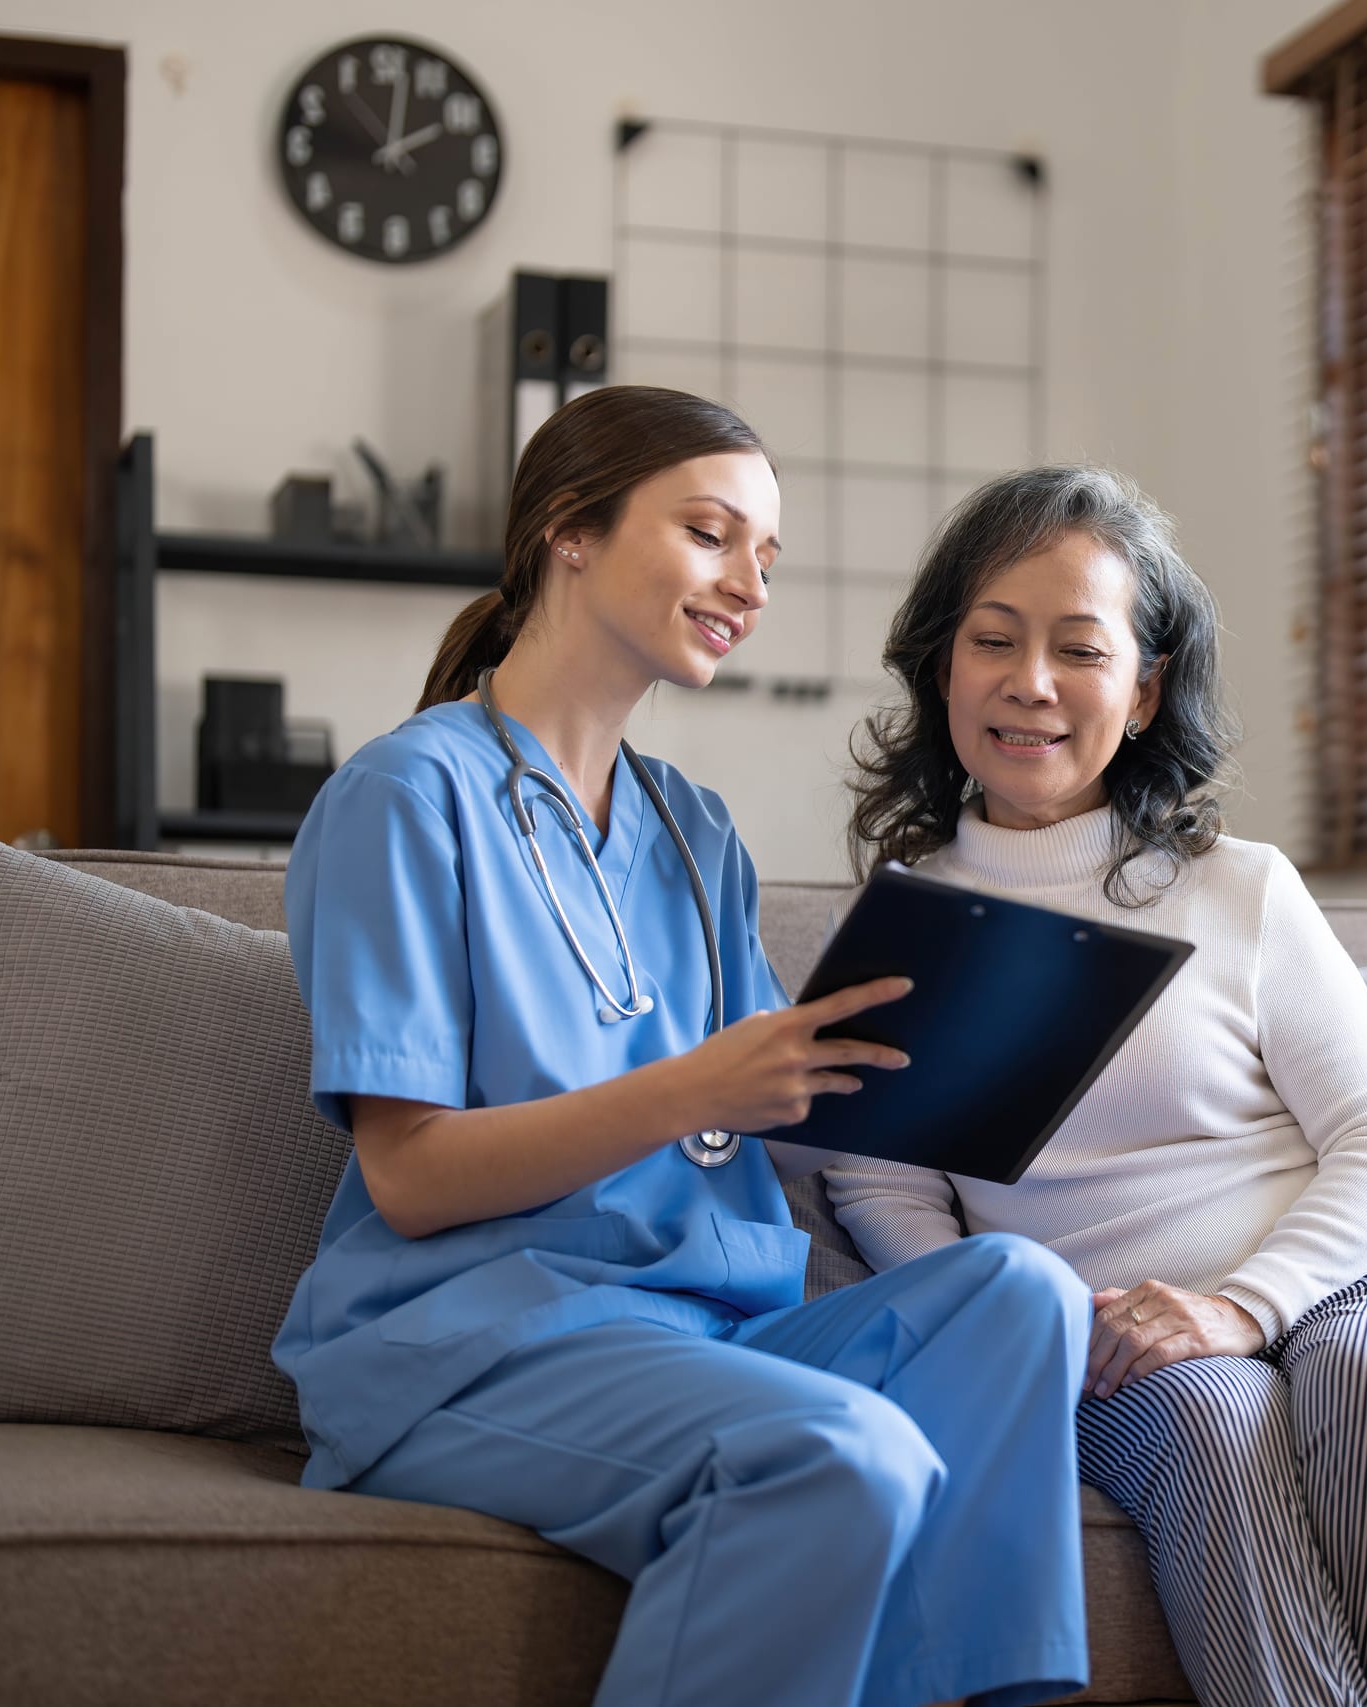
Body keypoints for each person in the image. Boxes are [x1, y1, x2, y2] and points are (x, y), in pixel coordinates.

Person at [270, 387, 1091, 1707]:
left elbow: (769, 1105)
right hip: (475, 1344)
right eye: (712, 534)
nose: (747, 583)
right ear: (568, 532)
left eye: (767, 558)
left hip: (708, 1331)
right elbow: (412, 1175)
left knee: (1019, 1289)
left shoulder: (693, 828)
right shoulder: (405, 796)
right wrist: (695, 1086)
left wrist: (954, 1047)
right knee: (844, 1451)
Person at [827, 465, 1367, 1707]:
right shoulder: (913, 920)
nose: (1029, 683)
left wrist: (1244, 1306)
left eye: (1078, 650)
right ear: (943, 670)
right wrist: (1029, 1320)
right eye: (992, 641)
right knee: (1213, 1427)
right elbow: (882, 1184)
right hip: (1107, 1348)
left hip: (1355, 1287)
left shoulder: (1238, 888)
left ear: (1143, 690)